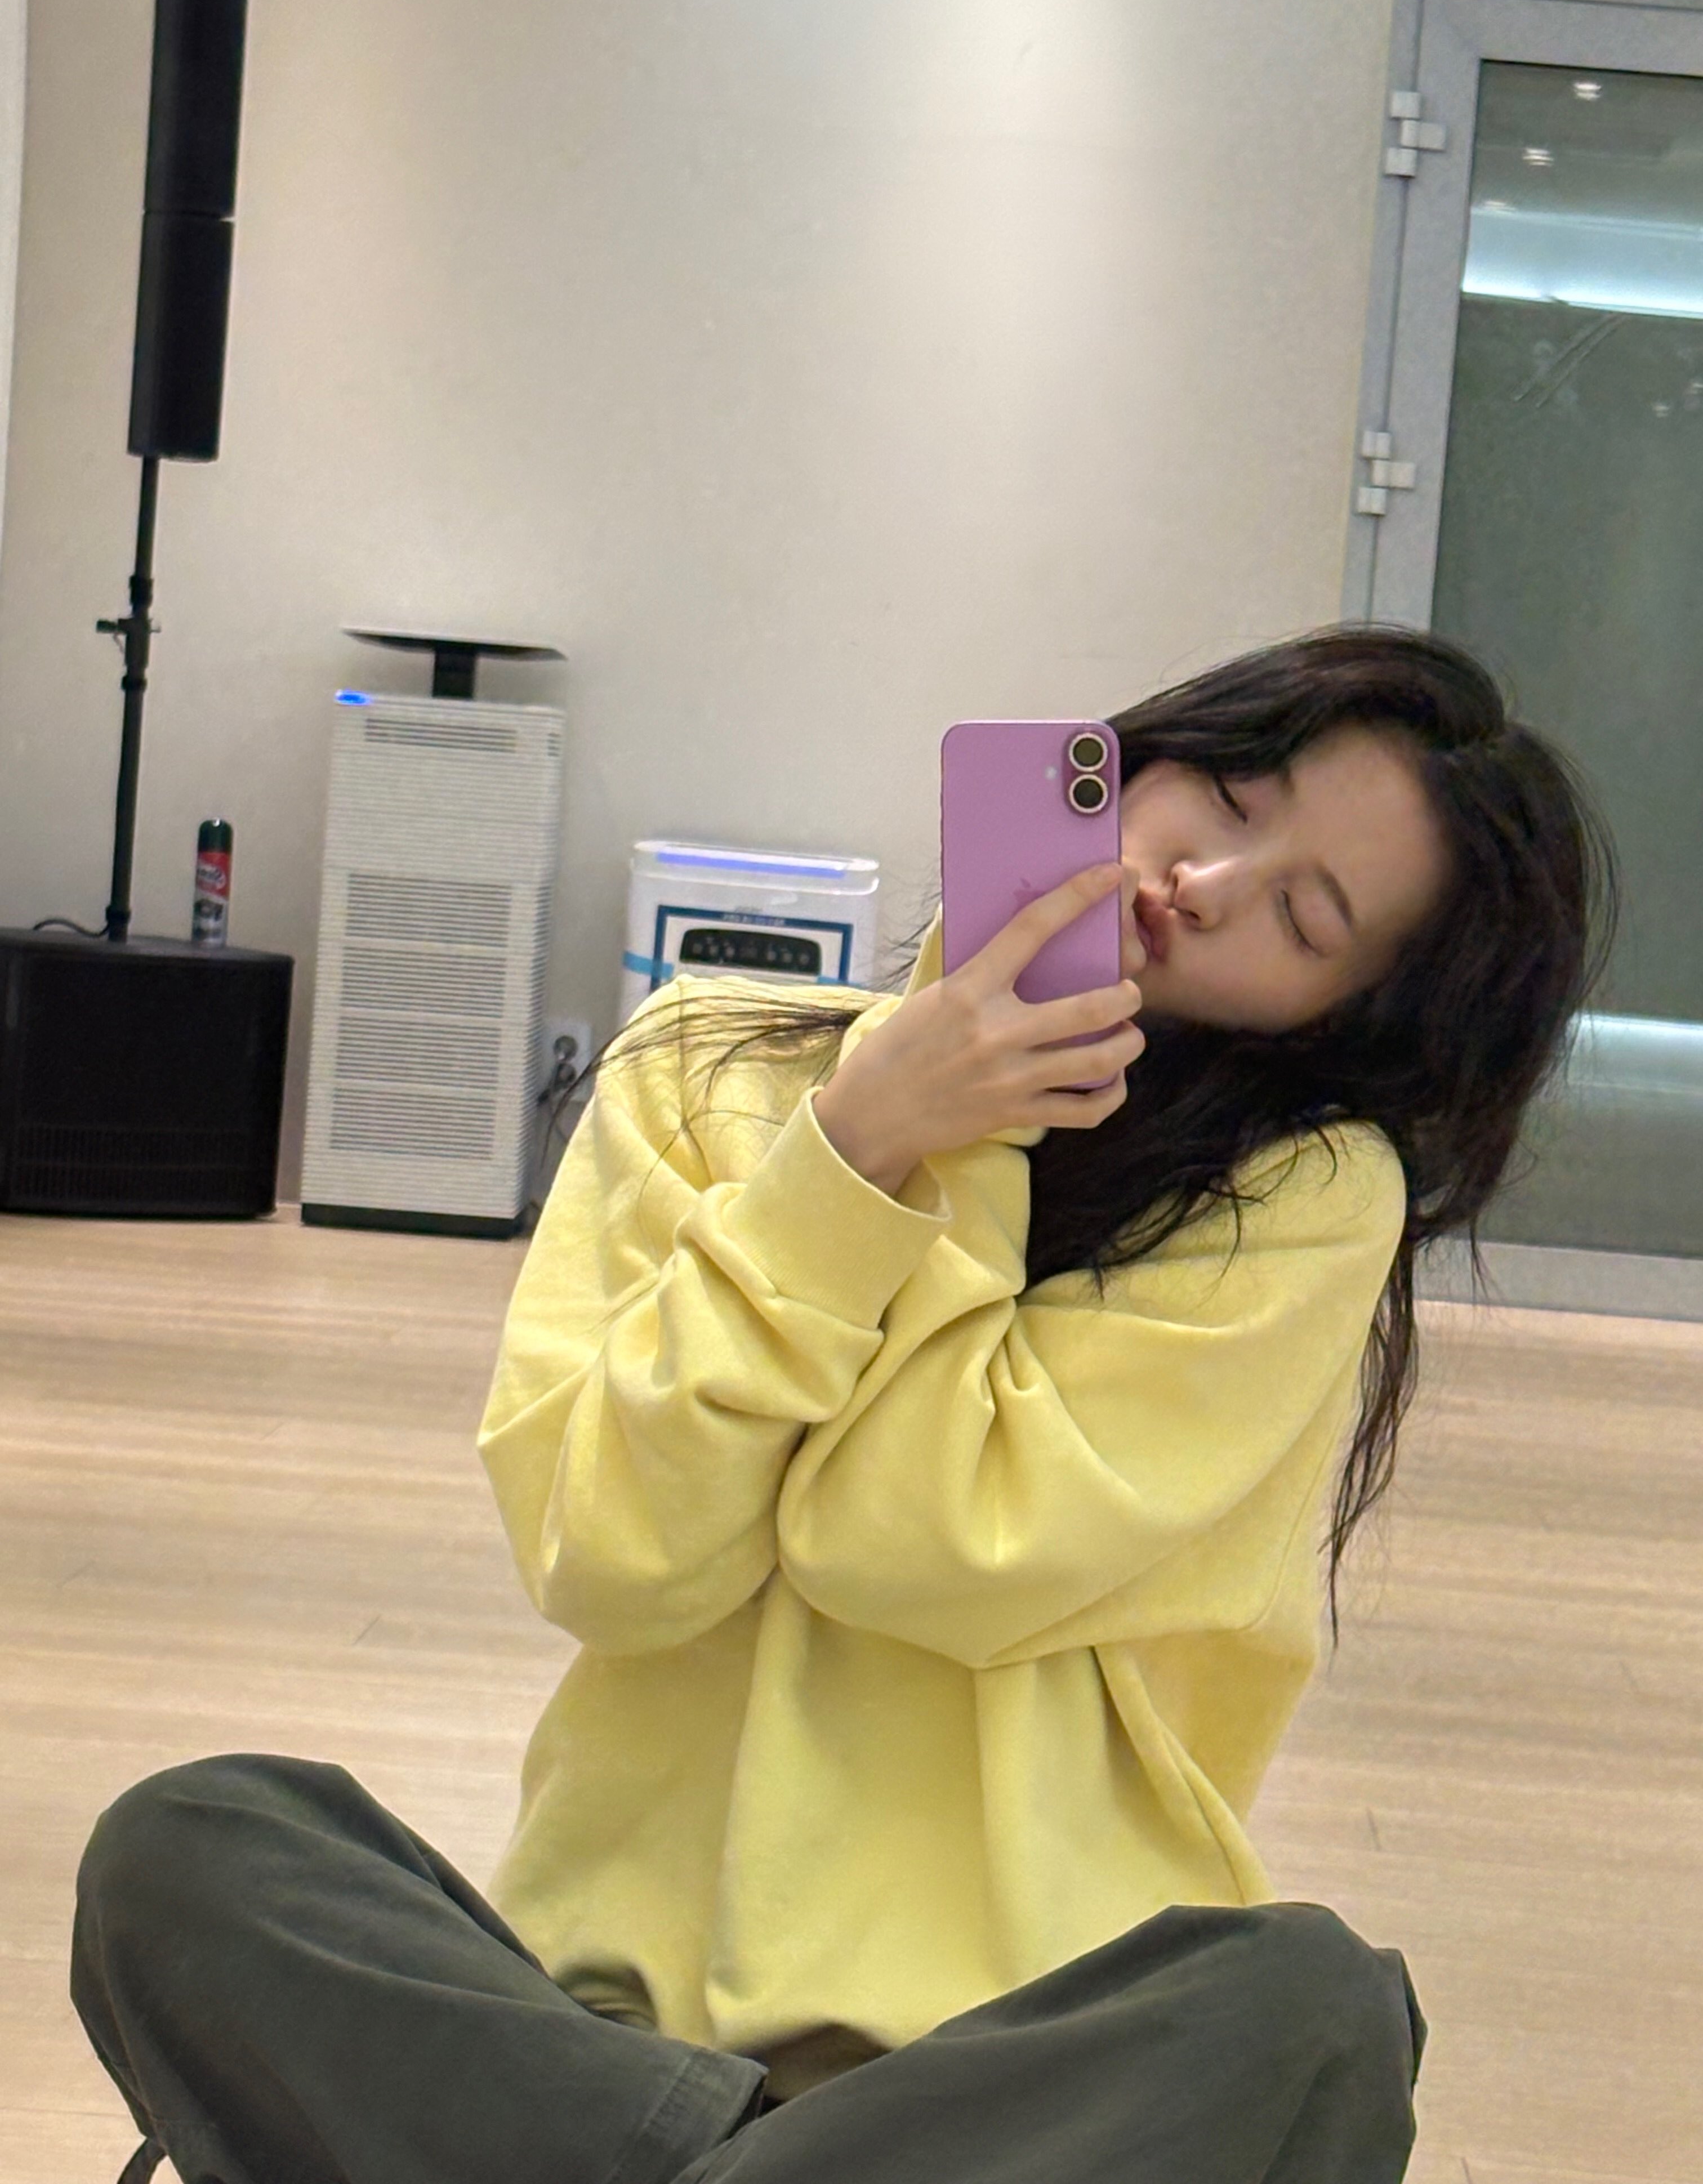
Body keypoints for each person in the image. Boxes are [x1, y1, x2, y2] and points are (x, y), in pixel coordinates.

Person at [72, 627, 1614, 2184]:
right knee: (193, 1847)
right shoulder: (699, 1064)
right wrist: (853, 1143)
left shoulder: (1304, 1199)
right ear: (1138, 755)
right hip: (603, 2030)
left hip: (1009, 2071)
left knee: (1314, 2010)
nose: (1204, 881)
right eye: (1229, 794)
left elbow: (908, 1544)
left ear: (1341, 1017)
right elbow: (610, 1557)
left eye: (1302, 915)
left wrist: (966, 1140)